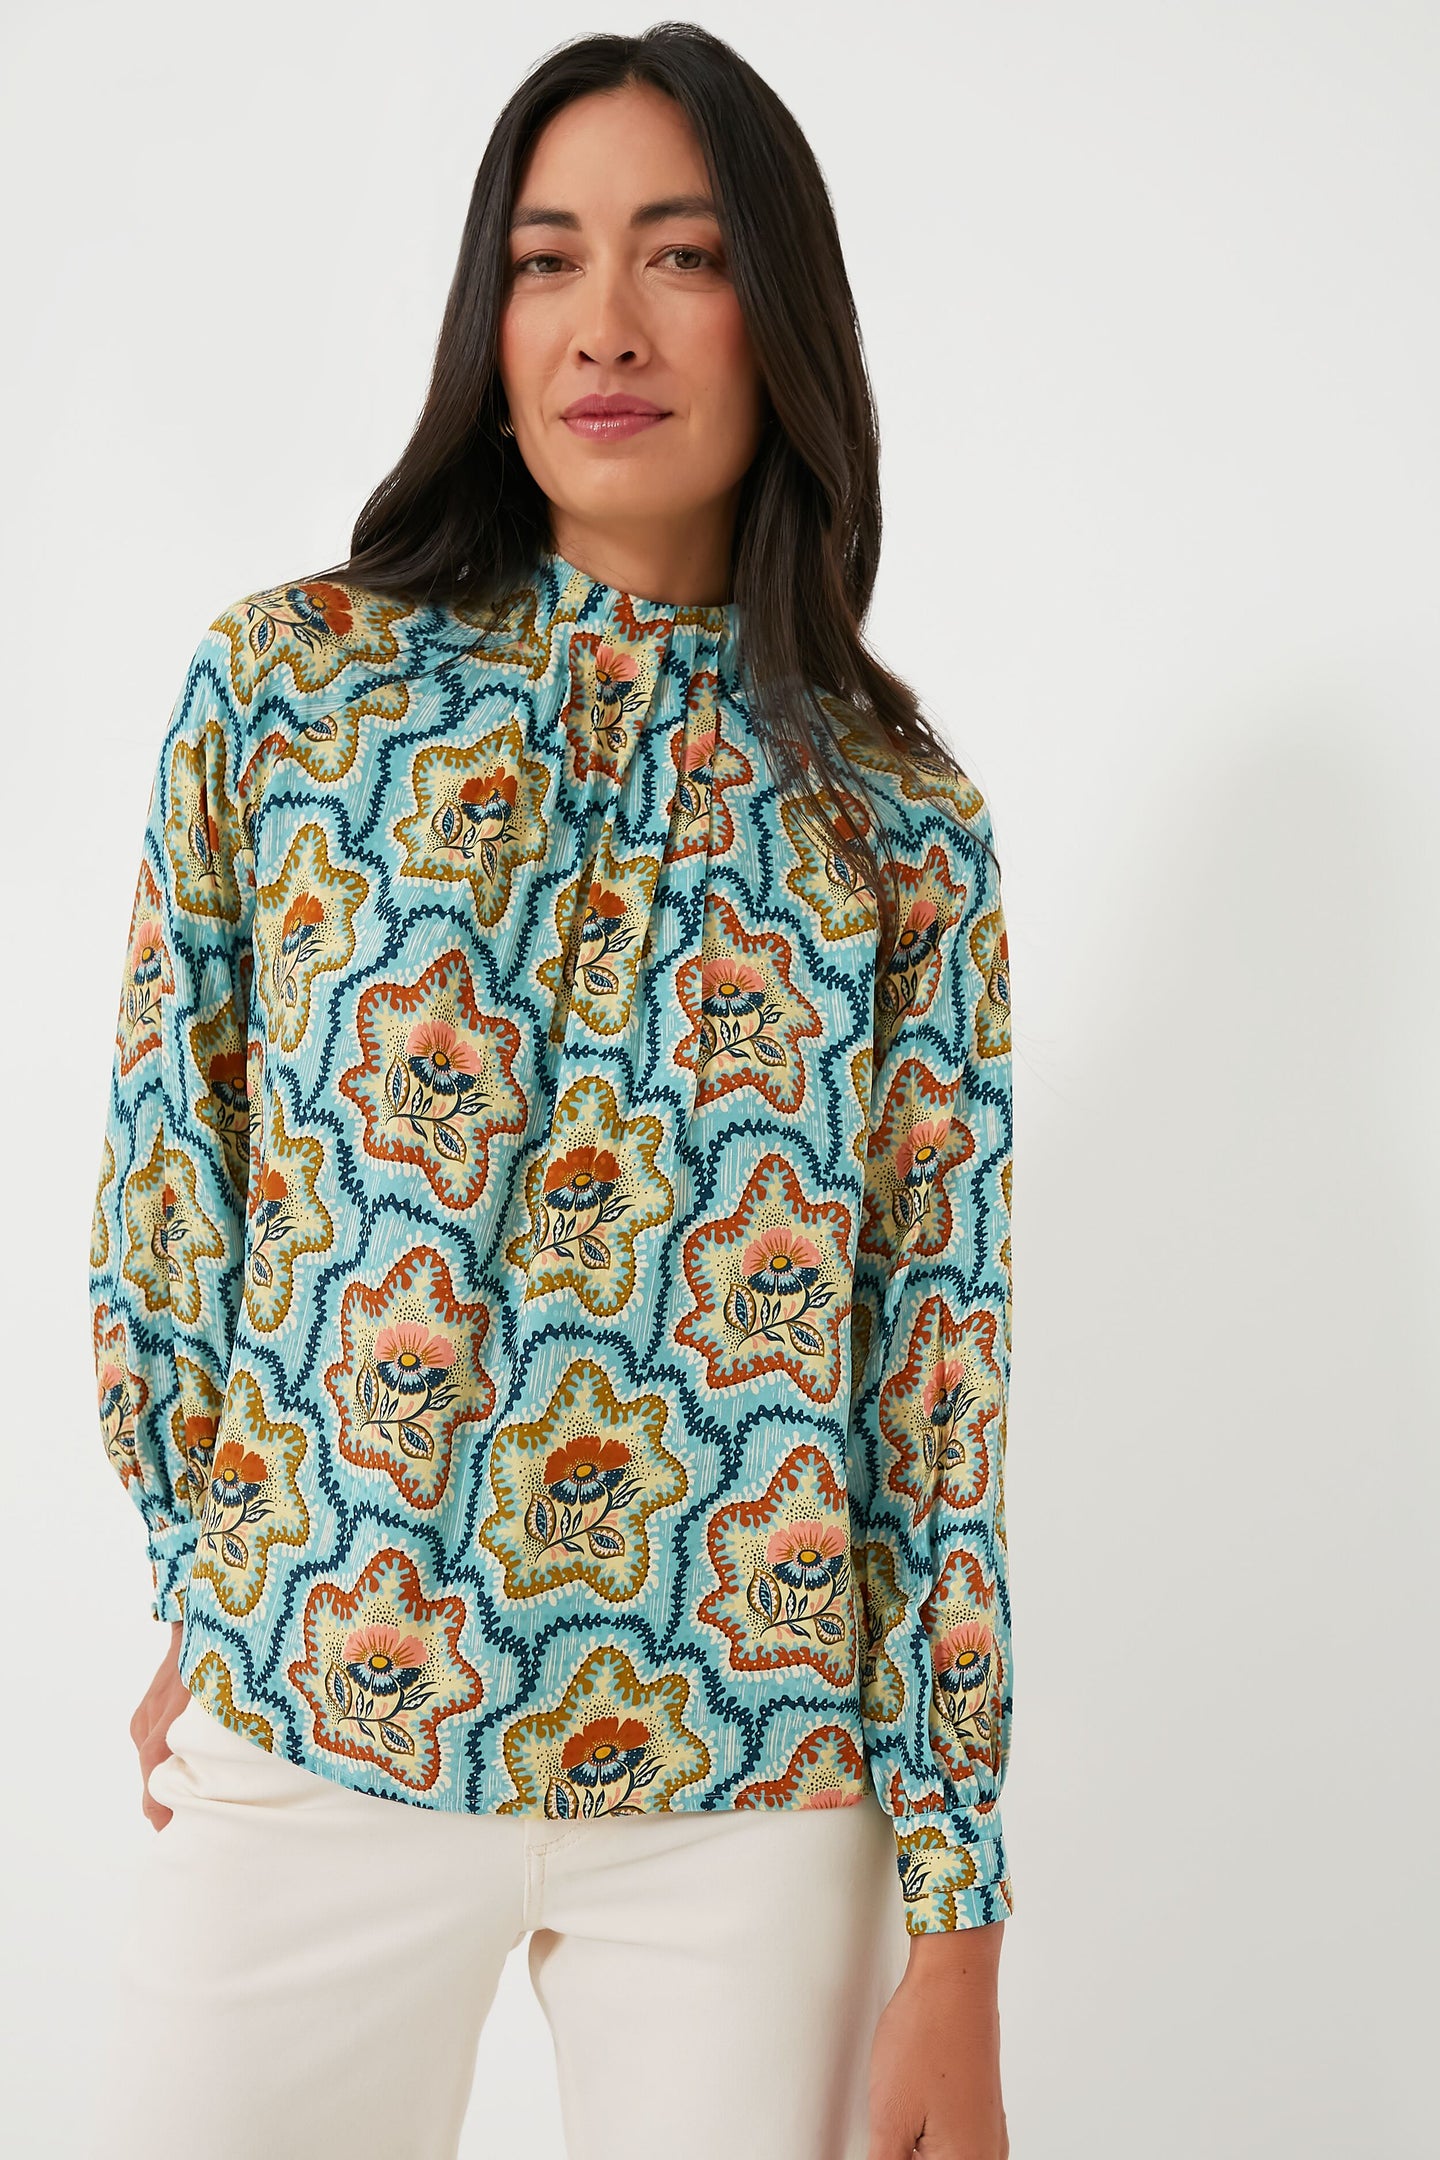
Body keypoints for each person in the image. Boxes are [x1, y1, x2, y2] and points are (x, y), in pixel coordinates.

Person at [90, 24, 1015, 2160]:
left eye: (681, 257)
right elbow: (174, 1181)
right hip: (316, 1722)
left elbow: (934, 1386)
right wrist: (217, 1580)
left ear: (781, 318)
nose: (605, 324)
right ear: (486, 322)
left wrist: (958, 1933)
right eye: (545, 260)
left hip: (753, 1788)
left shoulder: (899, 823)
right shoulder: (292, 694)